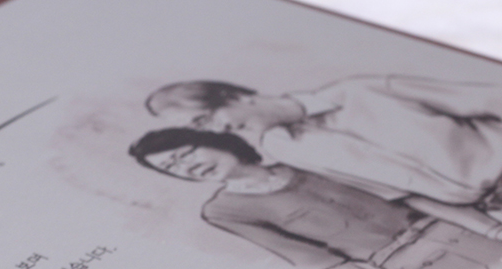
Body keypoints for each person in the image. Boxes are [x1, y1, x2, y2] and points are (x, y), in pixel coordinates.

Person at [128, 127, 502, 269]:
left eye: (185, 153)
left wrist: (492, 229)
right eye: (172, 167)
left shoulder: (296, 156)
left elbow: (409, 194)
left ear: (213, 142)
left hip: (459, 229)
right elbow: (316, 261)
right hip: (417, 267)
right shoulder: (224, 210)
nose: (187, 166)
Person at [144, 76, 502, 207]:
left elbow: (490, 99)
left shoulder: (360, 90)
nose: (218, 132)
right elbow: (396, 194)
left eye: (205, 120)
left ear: (232, 96)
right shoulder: (283, 149)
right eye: (203, 130)